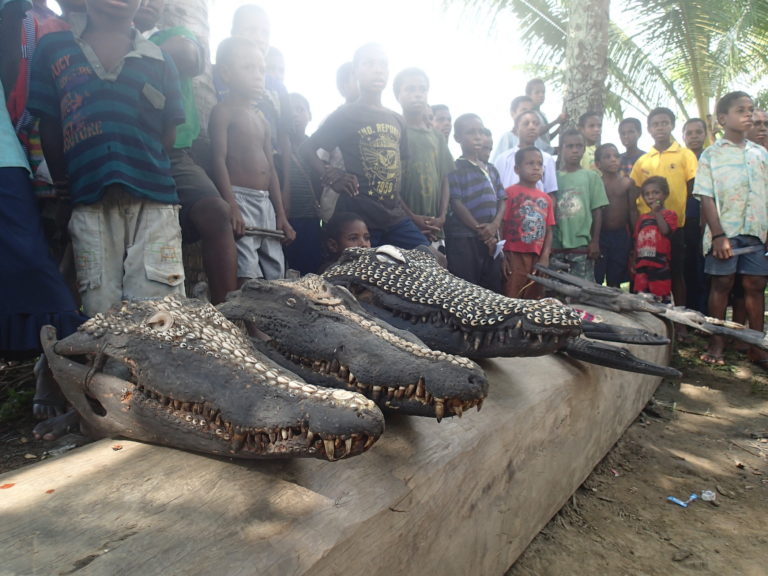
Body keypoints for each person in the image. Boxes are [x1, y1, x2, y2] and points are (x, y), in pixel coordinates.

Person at [28, 0, 187, 317]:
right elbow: (50, 125)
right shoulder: (53, 48)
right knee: (101, 307)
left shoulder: (160, 60)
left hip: (153, 201)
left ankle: (154, 367)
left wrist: (141, 167)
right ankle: (109, 368)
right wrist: (64, 183)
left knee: (159, 309)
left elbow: (168, 132)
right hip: (88, 198)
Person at [134, 0, 238, 305]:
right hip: (125, 151)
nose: (148, 3)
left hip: (174, 154)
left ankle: (229, 312)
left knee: (217, 212)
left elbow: (188, 55)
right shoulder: (104, 37)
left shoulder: (172, 33)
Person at [300, 43, 429, 249]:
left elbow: (396, 180)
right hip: (361, 219)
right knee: (368, 275)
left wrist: (409, 215)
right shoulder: (347, 114)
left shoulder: (397, 120)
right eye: (369, 64)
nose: (377, 69)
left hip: (395, 218)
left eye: (382, 64)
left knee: (435, 260)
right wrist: (331, 175)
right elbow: (306, 149)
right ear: (356, 71)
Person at [209, 37, 294, 285]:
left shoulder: (262, 120)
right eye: (249, 68)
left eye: (262, 69)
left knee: (275, 265)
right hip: (240, 198)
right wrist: (232, 206)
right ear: (226, 72)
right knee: (247, 264)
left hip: (265, 203)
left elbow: (272, 172)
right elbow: (218, 160)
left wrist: (280, 214)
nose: (259, 76)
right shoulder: (223, 112)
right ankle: (252, 325)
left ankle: (270, 322)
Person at [694, 91, 768, 369]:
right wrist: (718, 235)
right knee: (721, 284)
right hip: (725, 230)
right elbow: (706, 196)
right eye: (741, 110)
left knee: (755, 285)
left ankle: (757, 346)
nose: (748, 114)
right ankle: (717, 341)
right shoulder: (711, 155)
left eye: (751, 109)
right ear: (723, 119)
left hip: (756, 231)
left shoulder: (760, 154)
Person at [630, 107, 697, 321]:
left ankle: (682, 322)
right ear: (649, 129)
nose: (660, 127)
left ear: (672, 125)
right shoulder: (643, 161)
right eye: (655, 124)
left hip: (674, 228)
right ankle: (649, 320)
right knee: (646, 274)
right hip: (647, 232)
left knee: (677, 273)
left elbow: (694, 189)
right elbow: (633, 196)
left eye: (664, 123)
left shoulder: (685, 155)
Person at [444, 113, 505, 292]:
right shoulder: (455, 168)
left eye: (481, 132)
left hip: (491, 239)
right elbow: (456, 202)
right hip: (465, 238)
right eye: (471, 132)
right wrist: (482, 231)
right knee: (467, 288)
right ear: (458, 138)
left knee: (492, 288)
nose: (478, 137)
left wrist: (494, 226)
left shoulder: (491, 169)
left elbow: (502, 200)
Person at [393, 68, 453, 246]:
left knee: (437, 267)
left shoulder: (437, 137)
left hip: (435, 227)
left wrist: (441, 217)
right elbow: (388, 186)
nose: (417, 94)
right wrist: (412, 218)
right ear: (398, 95)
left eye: (422, 89)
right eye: (410, 89)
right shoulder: (394, 132)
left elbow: (444, 179)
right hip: (402, 226)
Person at [551, 129, 609, 280]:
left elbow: (597, 211)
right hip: (556, 244)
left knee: (581, 292)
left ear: (584, 148)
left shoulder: (592, 177)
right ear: (561, 149)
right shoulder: (553, 177)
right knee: (555, 292)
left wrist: (595, 241)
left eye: (578, 146)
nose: (574, 150)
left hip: (581, 246)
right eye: (569, 146)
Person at [501, 146, 555, 299]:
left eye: (539, 163)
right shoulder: (509, 193)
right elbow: (500, 225)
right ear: (517, 169)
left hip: (536, 256)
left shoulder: (546, 199)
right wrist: (502, 255)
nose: (536, 167)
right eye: (530, 163)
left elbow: (549, 230)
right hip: (514, 254)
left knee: (534, 296)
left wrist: (545, 256)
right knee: (512, 295)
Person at [283, 92, 323, 275]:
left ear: (310, 115)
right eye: (290, 110)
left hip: (311, 219)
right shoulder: (275, 146)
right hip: (286, 219)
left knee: (311, 270)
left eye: (300, 109)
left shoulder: (317, 149)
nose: (295, 115)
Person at [634, 176, 678, 301]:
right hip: (642, 265)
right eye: (647, 194)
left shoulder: (669, 215)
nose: (651, 197)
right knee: (642, 299)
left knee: (660, 298)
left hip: (660, 265)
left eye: (656, 193)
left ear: (665, 195)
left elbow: (665, 231)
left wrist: (657, 212)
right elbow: (636, 240)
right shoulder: (642, 218)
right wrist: (633, 260)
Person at [593, 143, 631, 287]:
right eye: (607, 157)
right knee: (597, 276)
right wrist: (594, 240)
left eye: (616, 156)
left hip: (621, 236)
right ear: (598, 164)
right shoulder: (596, 184)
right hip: (601, 235)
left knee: (615, 277)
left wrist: (633, 238)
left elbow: (632, 210)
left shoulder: (627, 183)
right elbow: (596, 211)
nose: (613, 159)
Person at [494, 109, 557, 192]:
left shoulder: (547, 159)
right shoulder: (503, 159)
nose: (532, 127)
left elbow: (550, 192)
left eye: (536, 124)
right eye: (526, 124)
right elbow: (497, 191)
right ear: (516, 129)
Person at [681, 117, 709, 313]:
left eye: (698, 132)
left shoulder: (710, 158)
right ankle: (689, 311)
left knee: (705, 267)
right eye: (689, 133)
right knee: (688, 266)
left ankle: (705, 312)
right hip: (686, 219)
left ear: (705, 134)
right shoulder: (680, 158)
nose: (694, 137)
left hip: (709, 219)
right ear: (683, 136)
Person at [525, 78, 566, 154]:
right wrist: (556, 121)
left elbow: (546, 138)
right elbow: (537, 132)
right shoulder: (528, 114)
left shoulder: (542, 114)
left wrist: (558, 130)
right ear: (528, 95)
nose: (541, 95)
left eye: (543, 92)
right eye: (537, 92)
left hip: (546, 155)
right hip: (535, 155)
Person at [492, 95, 534, 162]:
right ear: (513, 113)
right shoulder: (507, 138)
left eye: (531, 111)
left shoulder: (536, 139)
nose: (527, 115)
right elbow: (496, 165)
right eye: (524, 110)